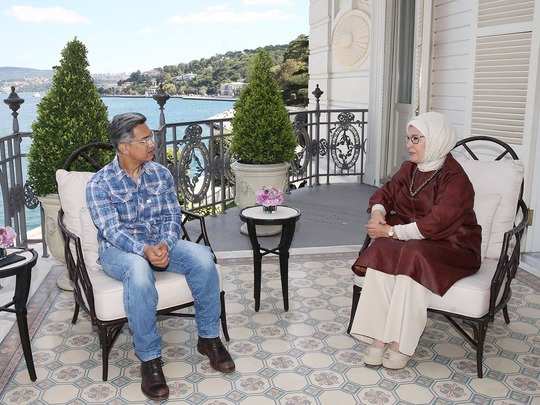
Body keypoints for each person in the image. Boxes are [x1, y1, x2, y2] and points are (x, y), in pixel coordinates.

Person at [86, 112, 235, 401]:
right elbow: (111, 230)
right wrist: (144, 251)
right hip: (118, 252)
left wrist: (165, 244)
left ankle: (208, 338)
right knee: (139, 272)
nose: (152, 143)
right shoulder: (99, 184)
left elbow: (172, 215)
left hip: (160, 242)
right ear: (124, 147)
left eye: (151, 136)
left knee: (203, 258)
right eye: (145, 139)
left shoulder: (160, 173)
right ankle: (150, 360)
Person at [349, 111, 481, 369]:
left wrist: (391, 232)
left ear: (436, 139)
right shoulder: (409, 169)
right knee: (384, 250)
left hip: (453, 245)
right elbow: (384, 193)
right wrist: (378, 215)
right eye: (408, 138)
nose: (409, 145)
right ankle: (378, 337)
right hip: (414, 241)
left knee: (411, 254)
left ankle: (401, 344)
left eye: (416, 139)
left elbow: (437, 223)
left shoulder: (456, 180)